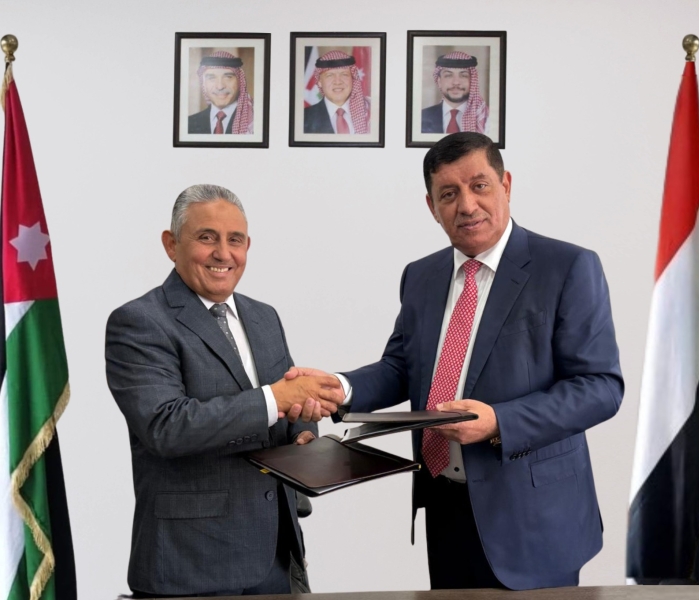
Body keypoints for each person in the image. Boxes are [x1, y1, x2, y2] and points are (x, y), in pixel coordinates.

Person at [287, 133, 624, 590]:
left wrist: (499, 421)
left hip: (534, 516)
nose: (466, 205)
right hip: (445, 506)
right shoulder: (420, 276)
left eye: (479, 186)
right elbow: (402, 367)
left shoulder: (567, 267)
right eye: (448, 194)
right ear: (432, 206)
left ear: (506, 184)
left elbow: (600, 387)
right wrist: (339, 387)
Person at [105, 184, 344, 597]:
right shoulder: (139, 322)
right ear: (171, 244)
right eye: (206, 237)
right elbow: (166, 426)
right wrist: (276, 399)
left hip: (276, 558)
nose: (223, 253)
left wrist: (304, 437)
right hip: (191, 565)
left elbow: (285, 412)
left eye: (235, 240)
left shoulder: (264, 318)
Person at [421, 52, 489, 135]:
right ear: (439, 81)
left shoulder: (486, 118)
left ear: (472, 81)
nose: (456, 82)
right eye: (448, 75)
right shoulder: (421, 117)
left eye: (463, 76)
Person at [303, 50, 370, 134]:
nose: (338, 82)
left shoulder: (370, 113)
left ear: (353, 79)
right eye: (330, 75)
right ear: (319, 82)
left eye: (344, 74)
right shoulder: (303, 118)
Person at [188, 51, 254, 134]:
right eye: (211, 78)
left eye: (228, 77)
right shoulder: (189, 123)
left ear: (240, 81)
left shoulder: (255, 122)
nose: (220, 86)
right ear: (204, 84)